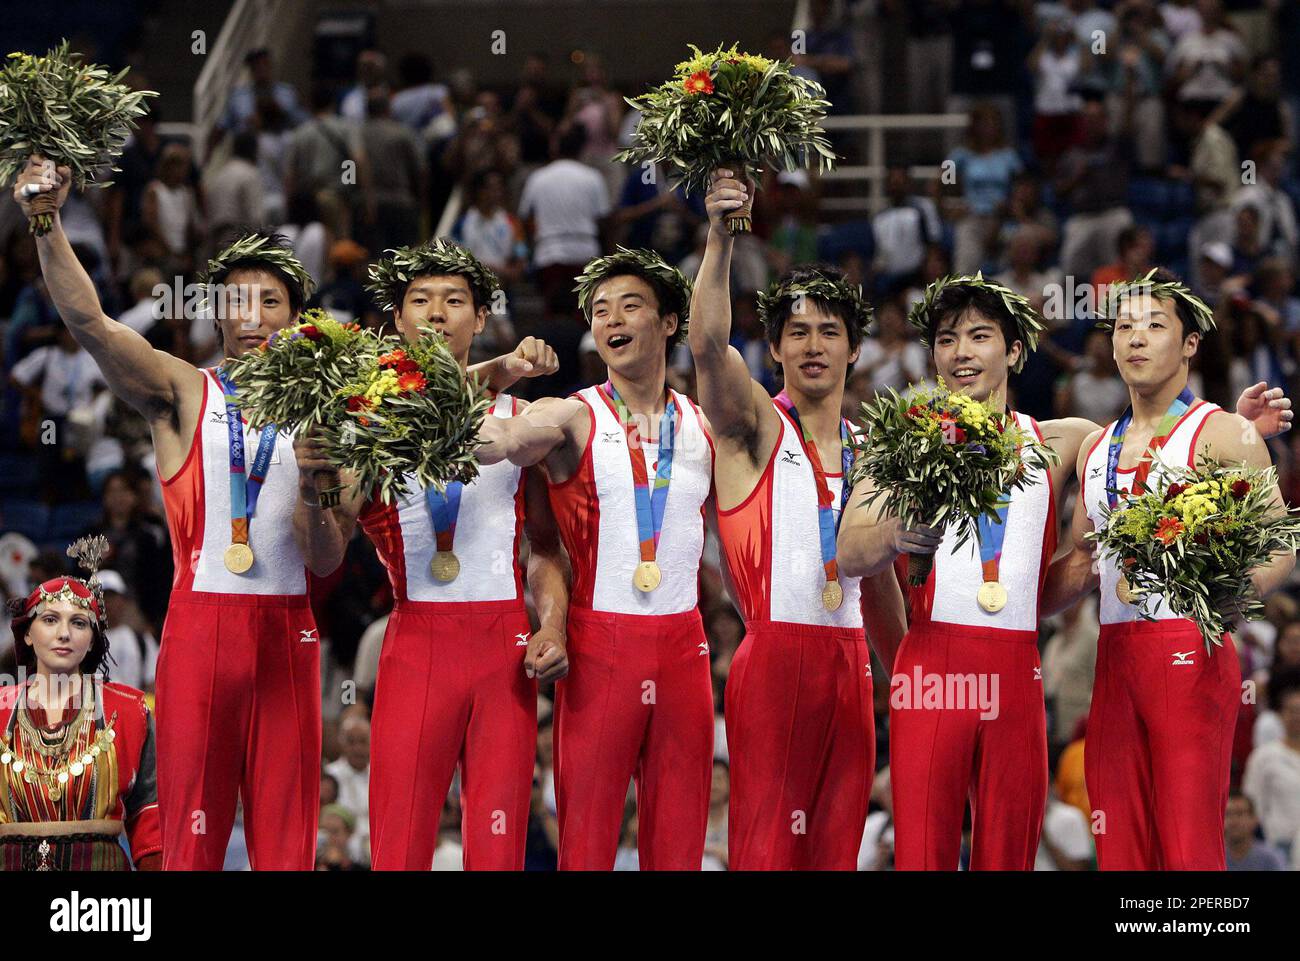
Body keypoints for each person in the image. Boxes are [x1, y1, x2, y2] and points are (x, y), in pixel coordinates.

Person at [291, 239, 568, 870]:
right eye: (420, 300)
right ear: (397, 319)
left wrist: (552, 625)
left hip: (505, 649)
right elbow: (326, 555)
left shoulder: (522, 420)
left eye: (454, 300)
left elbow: (547, 549)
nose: (437, 313)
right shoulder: (368, 426)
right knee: (400, 845)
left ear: (481, 317)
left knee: (498, 850)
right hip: (415, 645)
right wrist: (313, 489)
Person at [838, 273, 1098, 870]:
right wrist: (893, 535)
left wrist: (1090, 566)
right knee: (922, 855)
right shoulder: (899, 444)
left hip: (1018, 674)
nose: (961, 352)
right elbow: (850, 552)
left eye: (979, 336)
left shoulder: (1063, 442)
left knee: (1010, 856)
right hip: (932, 670)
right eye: (947, 339)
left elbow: (1141, 450)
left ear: (1014, 350)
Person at [686, 169, 906, 869]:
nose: (813, 345)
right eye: (798, 332)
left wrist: (911, 681)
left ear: (854, 349)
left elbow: (879, 588)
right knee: (768, 850)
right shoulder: (753, 424)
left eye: (829, 332)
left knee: (835, 853)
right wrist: (721, 238)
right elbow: (707, 347)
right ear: (775, 348)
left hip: (850, 667)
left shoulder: (875, 449)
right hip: (775, 661)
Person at [1043, 267, 1297, 869]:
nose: (1135, 337)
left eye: (1155, 325)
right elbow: (1081, 561)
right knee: (1120, 845)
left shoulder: (1225, 432)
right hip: (1114, 657)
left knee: (1188, 846)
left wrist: (1240, 589)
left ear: (1189, 344)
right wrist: (1003, 605)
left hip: (1190, 650)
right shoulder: (1095, 447)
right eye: (1123, 326)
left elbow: (1282, 540)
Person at [475, 247, 715, 870]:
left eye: (631, 306)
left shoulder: (705, 425)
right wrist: (496, 378)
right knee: (585, 847)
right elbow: (502, 439)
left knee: (680, 849)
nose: (613, 319)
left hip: (686, 652)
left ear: (669, 323)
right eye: (601, 310)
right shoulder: (571, 415)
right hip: (600, 651)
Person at [0, 536, 161, 871]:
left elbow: (151, 822)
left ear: (92, 640)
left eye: (78, 622)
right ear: (27, 633)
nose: (64, 634)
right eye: (49, 620)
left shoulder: (129, 712)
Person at [1223, 791, 1285, 871]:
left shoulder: (1271, 858)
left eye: (1240, 814)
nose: (1233, 821)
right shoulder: (1213, 857)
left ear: (1254, 819)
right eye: (1228, 814)